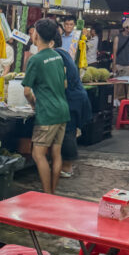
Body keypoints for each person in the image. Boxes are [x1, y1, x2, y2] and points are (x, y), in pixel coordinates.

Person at [21, 19, 70, 194]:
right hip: (63, 110)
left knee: (38, 154)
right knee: (56, 154)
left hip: (48, 113)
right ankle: (53, 194)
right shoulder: (57, 56)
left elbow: (27, 91)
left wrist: (34, 105)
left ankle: (47, 195)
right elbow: (64, 84)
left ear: (36, 35)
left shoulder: (35, 60)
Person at [52, 30, 92, 178]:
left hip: (72, 98)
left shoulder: (57, 56)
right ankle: (63, 164)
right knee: (69, 131)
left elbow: (63, 82)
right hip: (75, 96)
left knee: (68, 131)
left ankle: (67, 167)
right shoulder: (63, 53)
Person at [112, 20, 129, 100]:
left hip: (128, 63)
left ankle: (121, 98)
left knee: (125, 83)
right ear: (126, 28)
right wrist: (114, 65)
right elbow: (114, 52)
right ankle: (115, 99)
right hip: (118, 63)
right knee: (116, 83)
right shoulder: (117, 38)